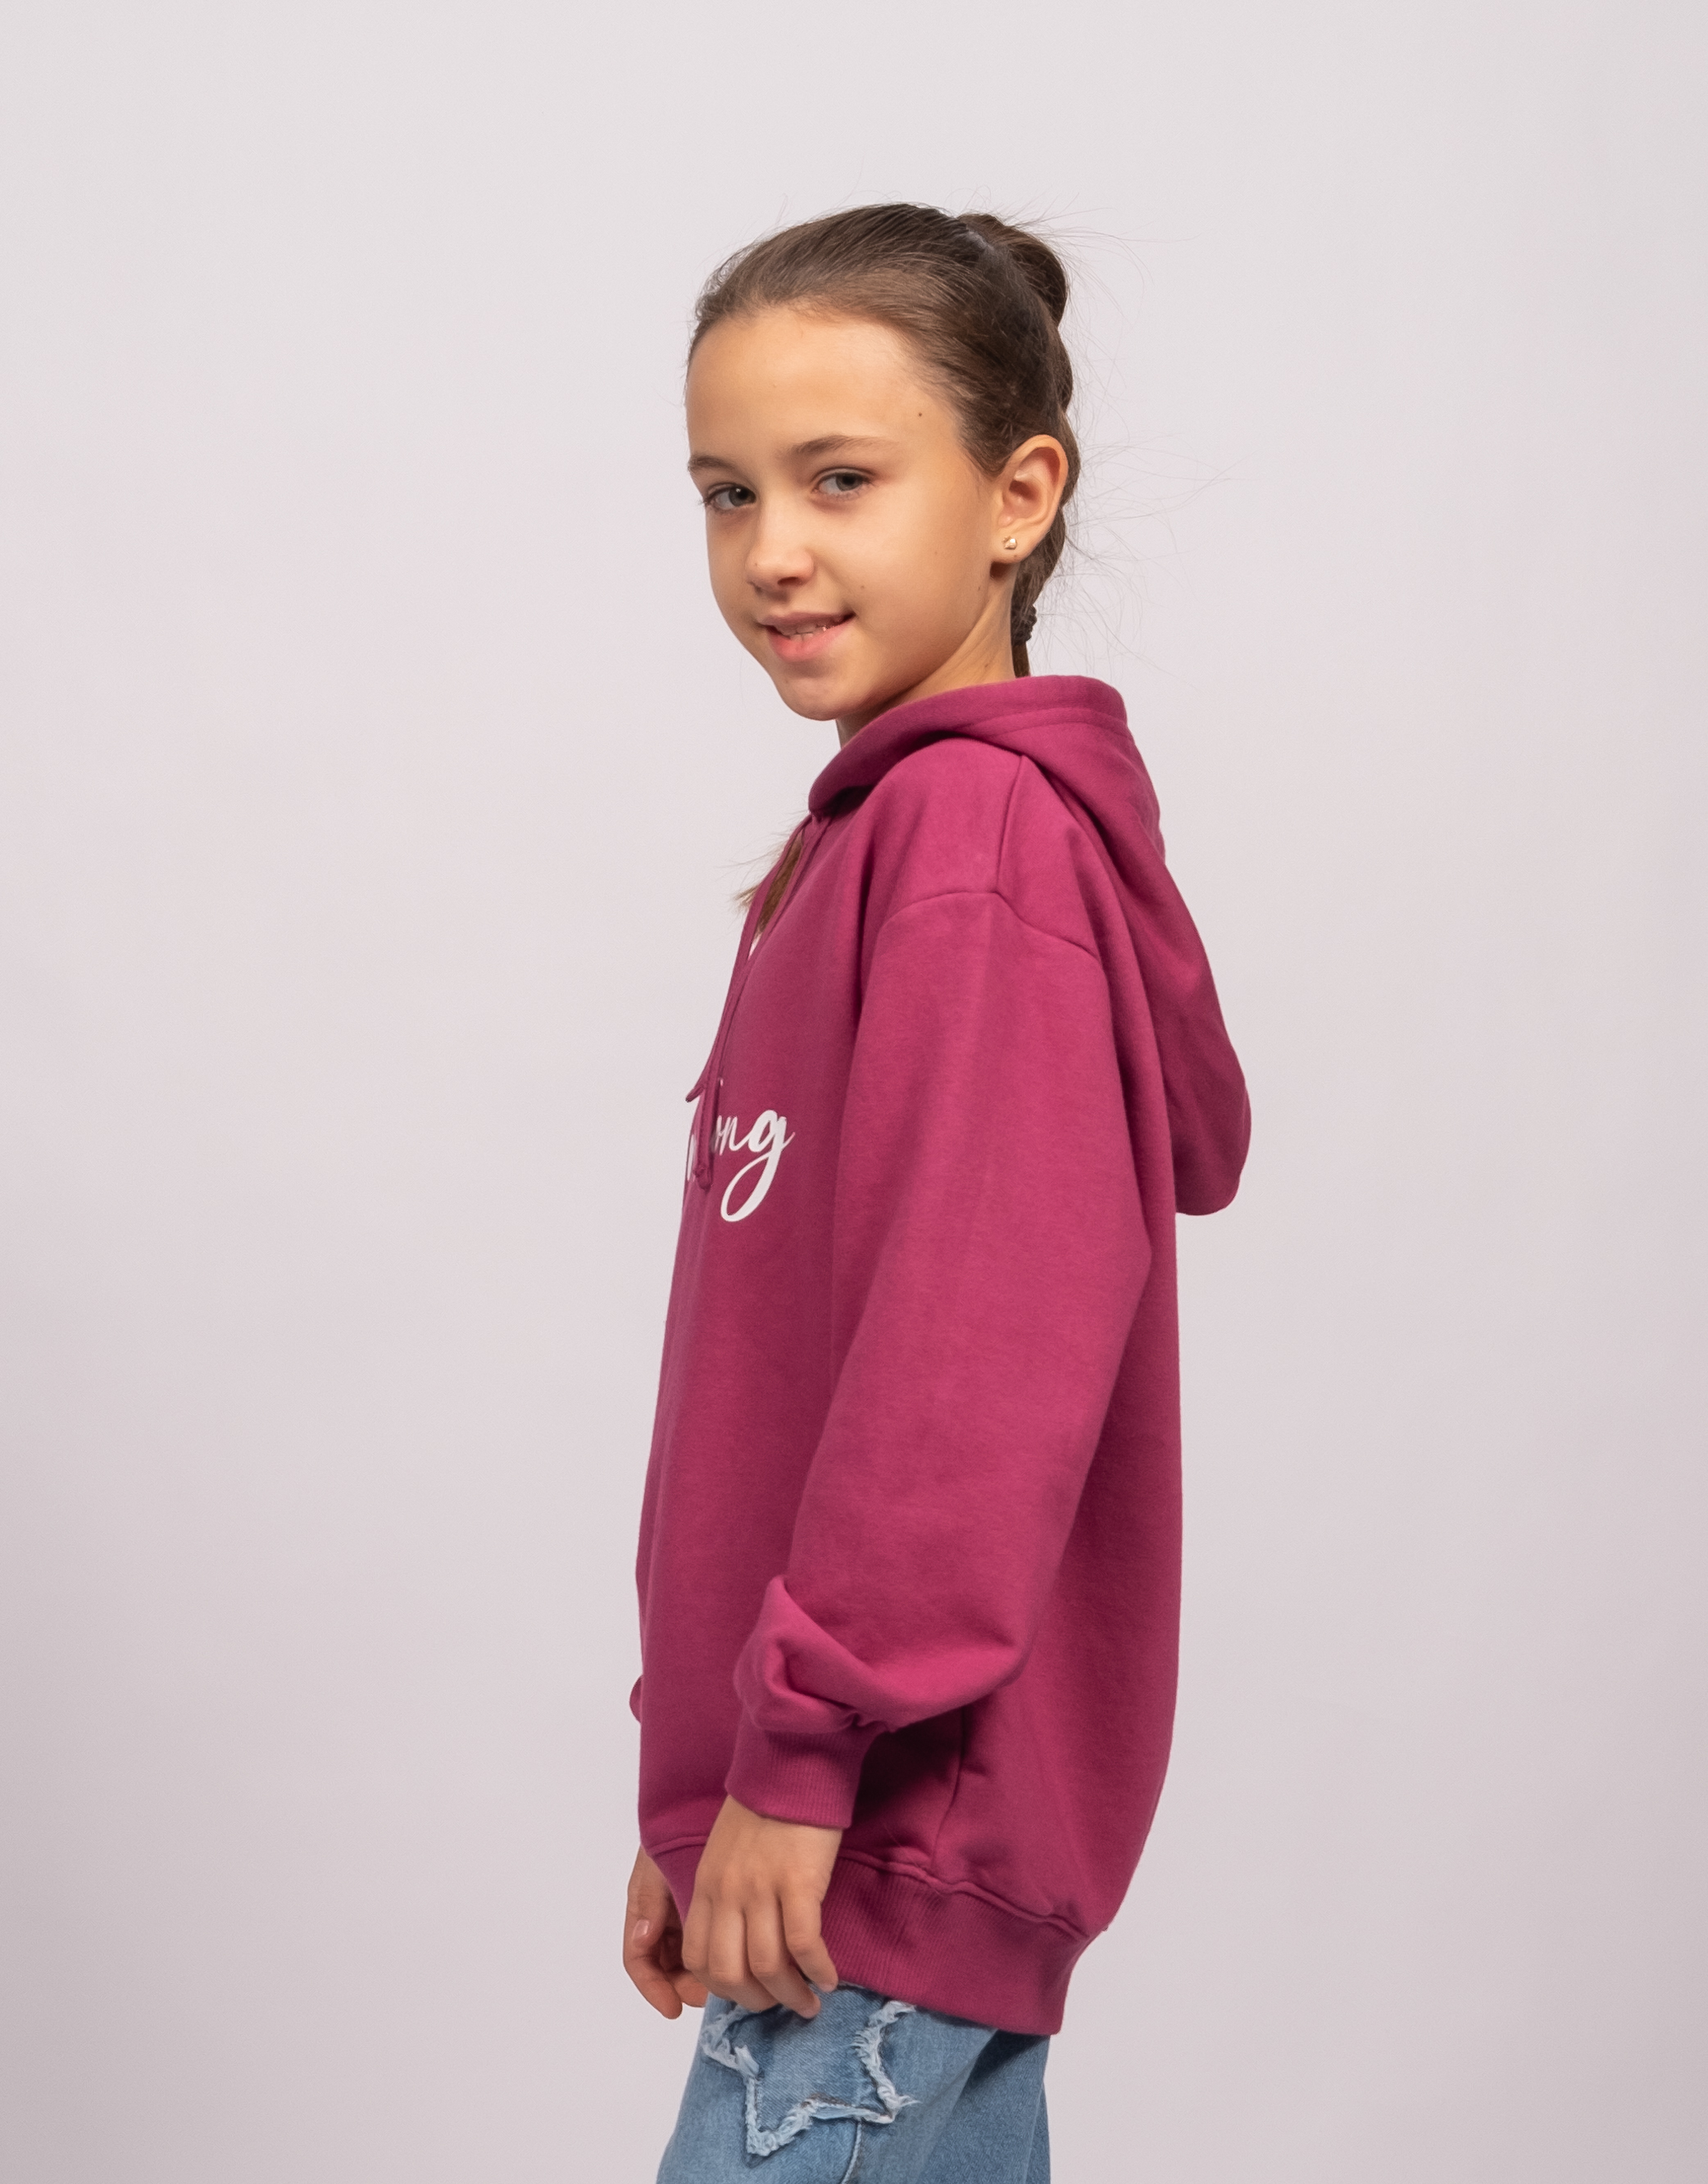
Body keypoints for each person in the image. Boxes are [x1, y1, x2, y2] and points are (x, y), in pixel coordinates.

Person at [621, 203, 1250, 2182]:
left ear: (1015, 495)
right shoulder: (874, 843)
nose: (769, 551)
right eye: (728, 492)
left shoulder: (971, 839)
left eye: (839, 480)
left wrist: (799, 1759)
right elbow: (771, 1385)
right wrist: (703, 1789)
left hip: (882, 1834)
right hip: (837, 1841)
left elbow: (963, 1370)